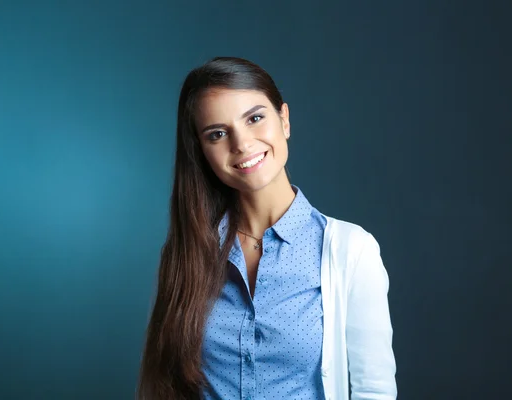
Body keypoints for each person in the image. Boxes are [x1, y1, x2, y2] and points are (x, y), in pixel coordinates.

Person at [136, 56, 397, 400]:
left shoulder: (350, 251)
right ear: (201, 151)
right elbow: (165, 387)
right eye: (217, 134)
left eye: (255, 118)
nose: (241, 144)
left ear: (284, 120)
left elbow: (373, 391)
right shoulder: (185, 255)